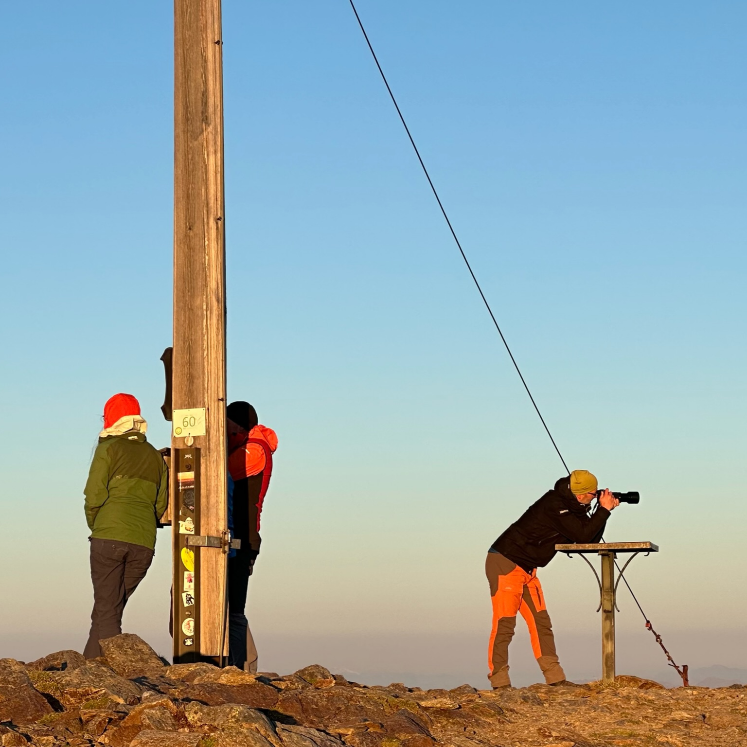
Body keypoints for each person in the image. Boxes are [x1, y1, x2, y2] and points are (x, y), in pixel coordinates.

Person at [486, 469, 620, 688]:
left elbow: (588, 539)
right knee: (505, 624)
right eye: (593, 494)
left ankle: (555, 679)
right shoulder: (555, 505)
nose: (595, 497)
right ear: (580, 495)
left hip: (528, 570)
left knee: (541, 623)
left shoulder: (575, 506)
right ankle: (499, 682)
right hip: (506, 562)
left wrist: (604, 512)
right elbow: (584, 535)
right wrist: (603, 510)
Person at [83, 393, 168, 658]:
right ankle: (88, 669)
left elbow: (94, 494)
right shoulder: (154, 456)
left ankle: (110, 676)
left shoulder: (108, 448)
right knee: (108, 608)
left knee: (108, 610)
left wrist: (97, 525)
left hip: (109, 537)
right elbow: (161, 502)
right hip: (143, 544)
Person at [226, 400, 278, 672]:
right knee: (231, 607)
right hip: (241, 538)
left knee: (234, 610)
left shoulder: (253, 451)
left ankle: (242, 668)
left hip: (243, 540)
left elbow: (219, 473)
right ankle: (240, 666)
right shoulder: (252, 447)